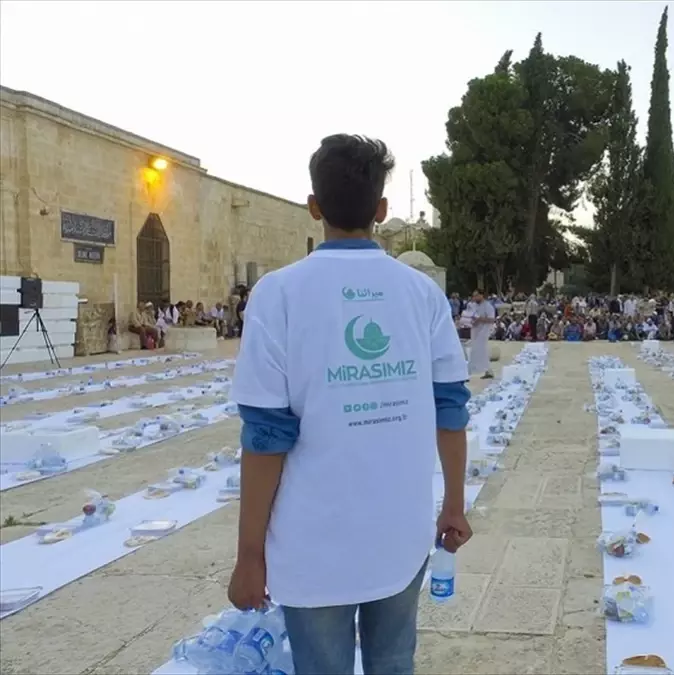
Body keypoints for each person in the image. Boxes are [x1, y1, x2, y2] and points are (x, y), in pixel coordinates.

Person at [227, 134, 473, 675]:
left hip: (311, 543)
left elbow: (266, 434)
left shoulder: (278, 293)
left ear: (314, 207)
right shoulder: (421, 294)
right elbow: (450, 407)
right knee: (392, 663)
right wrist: (454, 504)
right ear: (381, 211)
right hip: (399, 535)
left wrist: (250, 555)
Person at [467, 290, 496, 380]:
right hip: (475, 331)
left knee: (480, 351)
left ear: (481, 295)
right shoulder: (473, 306)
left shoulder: (488, 306)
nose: (475, 298)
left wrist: (480, 319)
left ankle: (468, 372)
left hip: (484, 331)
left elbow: (492, 319)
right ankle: (487, 371)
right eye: (473, 296)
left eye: (476, 296)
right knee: (476, 351)